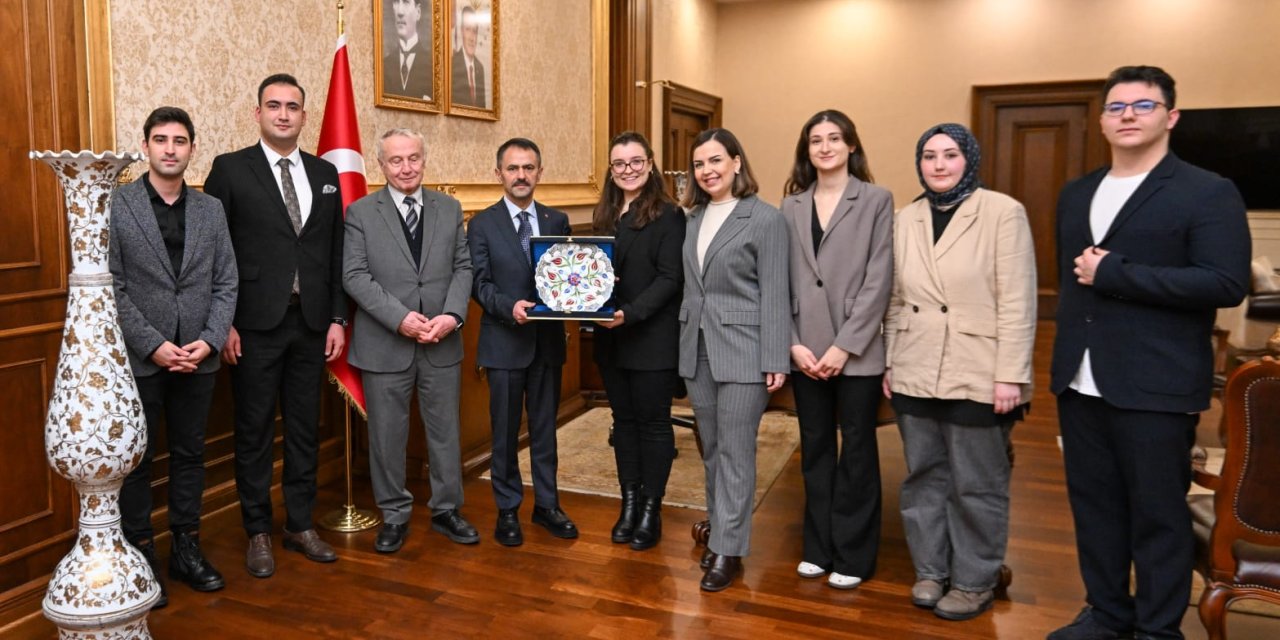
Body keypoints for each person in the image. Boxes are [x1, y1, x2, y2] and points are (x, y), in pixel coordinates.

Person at [1048, 65, 1250, 640]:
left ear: (1171, 117)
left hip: (1157, 384)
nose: (1128, 115)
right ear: (1103, 120)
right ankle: (1108, 613)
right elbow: (1070, 286)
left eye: (1143, 105)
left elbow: (1222, 283)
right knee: (1095, 510)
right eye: (1116, 107)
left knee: (1158, 516)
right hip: (1081, 379)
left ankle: (1159, 629)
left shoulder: (1206, 191)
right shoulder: (1078, 192)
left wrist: (1118, 273)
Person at [882, 123, 1036, 621]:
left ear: (969, 159)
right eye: (929, 155)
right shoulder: (907, 218)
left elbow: (1017, 300)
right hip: (915, 362)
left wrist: (1011, 373)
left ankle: (973, 580)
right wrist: (889, 358)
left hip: (980, 367)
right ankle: (931, 569)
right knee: (924, 476)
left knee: (976, 482)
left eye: (950, 154)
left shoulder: (1002, 212)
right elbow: (895, 297)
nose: (940, 164)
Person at [205, 73, 348, 578]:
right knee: (254, 430)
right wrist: (221, 324)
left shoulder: (324, 172)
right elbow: (213, 251)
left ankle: (300, 524)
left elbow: (333, 251)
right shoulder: (229, 169)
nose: (283, 114)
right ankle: (258, 530)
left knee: (306, 429)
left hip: (310, 325)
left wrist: (336, 317)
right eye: (274, 106)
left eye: (292, 107)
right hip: (253, 325)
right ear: (257, 114)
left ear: (305, 116)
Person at [111, 106, 237, 608]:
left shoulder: (211, 211)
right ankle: (143, 557)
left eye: (179, 140)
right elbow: (113, 286)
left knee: (190, 455)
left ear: (191, 149)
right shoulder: (118, 205)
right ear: (145, 147)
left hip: (199, 356)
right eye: (160, 139)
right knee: (138, 462)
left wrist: (209, 338)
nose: (169, 148)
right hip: (145, 358)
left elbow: (225, 280)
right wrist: (154, 345)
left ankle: (187, 548)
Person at [342, 128, 477, 553]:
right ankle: (394, 515)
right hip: (386, 343)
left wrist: (452, 317)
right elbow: (354, 276)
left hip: (441, 341)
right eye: (396, 160)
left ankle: (446, 510)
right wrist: (400, 319)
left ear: (424, 159)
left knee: (444, 433)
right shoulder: (361, 212)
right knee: (386, 436)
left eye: (413, 158)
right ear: (380, 165)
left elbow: (463, 268)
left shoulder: (449, 207)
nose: (406, 167)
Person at [781, 110, 893, 591]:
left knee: (859, 453)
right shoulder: (789, 206)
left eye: (834, 138)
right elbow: (777, 281)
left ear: (851, 145)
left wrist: (845, 347)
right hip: (805, 351)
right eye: (815, 140)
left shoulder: (875, 200)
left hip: (857, 352)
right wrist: (792, 344)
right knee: (816, 451)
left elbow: (879, 278)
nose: (824, 147)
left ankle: (854, 553)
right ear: (807, 150)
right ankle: (818, 546)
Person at [678, 128, 790, 592]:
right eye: (700, 164)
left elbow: (776, 292)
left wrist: (775, 355)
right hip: (697, 348)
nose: (708, 170)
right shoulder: (691, 218)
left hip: (745, 349)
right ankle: (719, 533)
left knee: (738, 453)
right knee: (712, 450)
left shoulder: (765, 219)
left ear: (737, 162)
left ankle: (730, 549)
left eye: (717, 160)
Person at [467, 138, 576, 547]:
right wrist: (509, 306)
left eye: (528, 168)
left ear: (539, 173)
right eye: (512, 169)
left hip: (547, 345)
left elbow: (569, 277)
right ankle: (507, 509)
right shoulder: (481, 224)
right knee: (505, 432)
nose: (521, 176)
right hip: (504, 342)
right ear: (499, 174)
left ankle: (548, 505)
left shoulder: (557, 219)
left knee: (546, 430)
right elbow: (479, 283)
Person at [590, 132, 685, 551]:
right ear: (611, 170)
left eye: (635, 161)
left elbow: (670, 279)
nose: (627, 170)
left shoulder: (669, 214)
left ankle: (651, 509)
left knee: (654, 424)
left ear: (650, 163)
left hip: (651, 337)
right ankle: (628, 503)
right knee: (623, 423)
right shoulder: (606, 213)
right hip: (610, 340)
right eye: (619, 163)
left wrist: (630, 313)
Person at [383, 0, 433, 100]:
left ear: (418, 12)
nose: (400, 12)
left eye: (406, 2)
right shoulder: (384, 65)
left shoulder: (432, 67)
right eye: (396, 2)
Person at [450, 4, 486, 108]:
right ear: (461, 31)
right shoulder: (452, 64)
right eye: (468, 29)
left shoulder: (480, 68)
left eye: (474, 31)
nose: (471, 37)